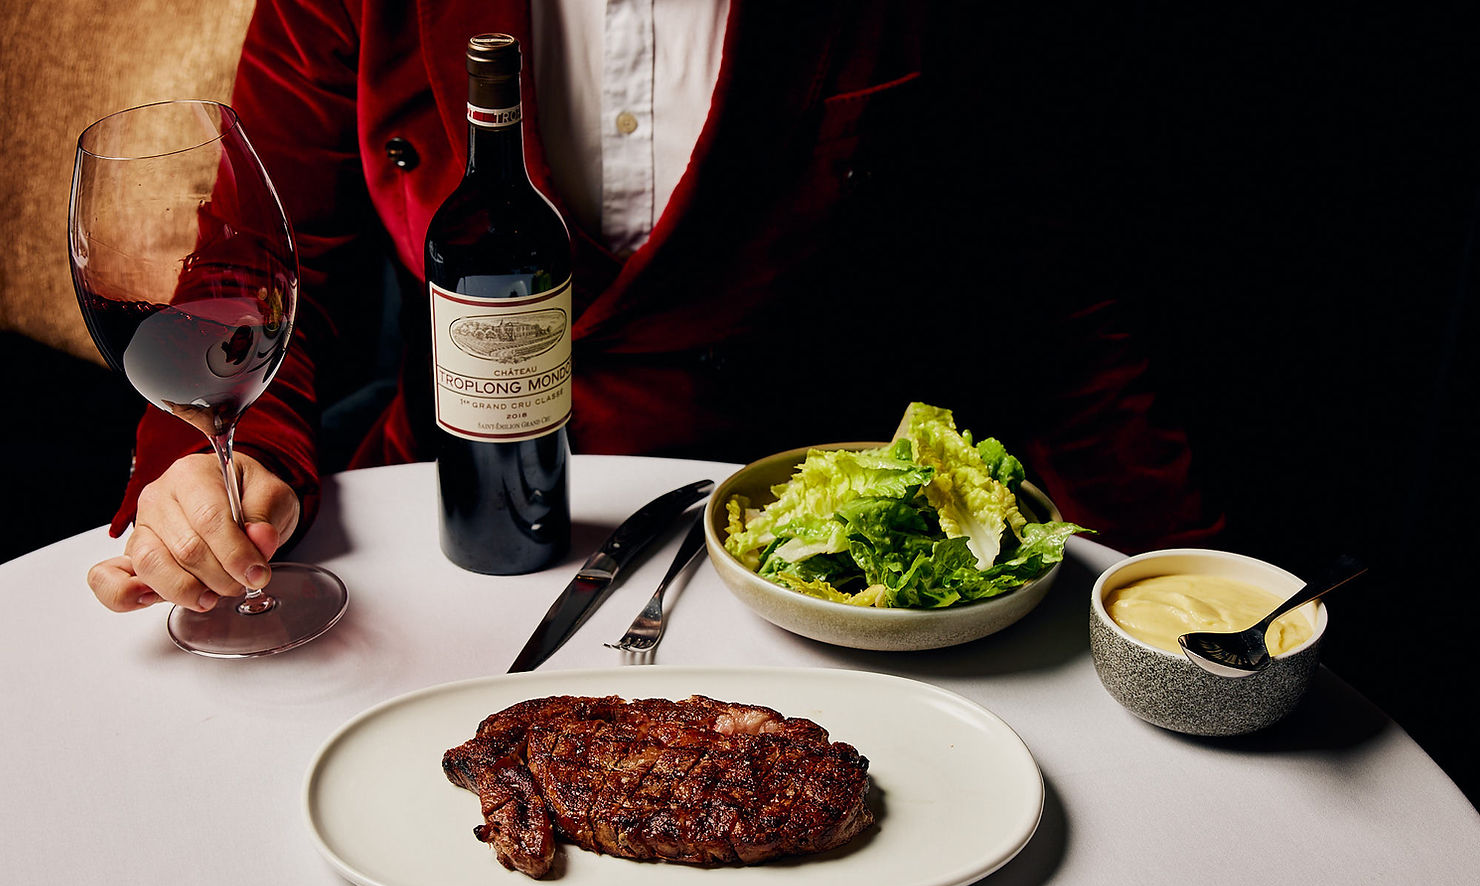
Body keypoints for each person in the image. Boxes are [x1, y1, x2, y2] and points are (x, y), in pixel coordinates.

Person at [87, 0, 1222, 614]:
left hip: (793, 557)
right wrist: (203, 473)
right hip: (445, 528)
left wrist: (1188, 586)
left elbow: (1048, 311)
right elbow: (268, 263)